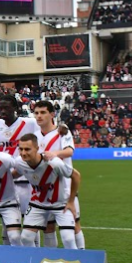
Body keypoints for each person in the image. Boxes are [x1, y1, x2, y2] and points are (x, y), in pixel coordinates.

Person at [0, 95, 38, 244]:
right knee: (7, 223)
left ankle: (35, 253)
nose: (2, 111)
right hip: (5, 182)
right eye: (0, 108)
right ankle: (8, 255)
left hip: (26, 182)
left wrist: (61, 129)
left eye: (6, 107)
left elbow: (47, 127)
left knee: (31, 223)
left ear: (15, 108)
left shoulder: (29, 123)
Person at [13, 134, 77, 249]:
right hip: (37, 204)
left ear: (37, 149)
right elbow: (18, 172)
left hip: (60, 204)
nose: (23, 153)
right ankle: (34, 262)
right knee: (26, 238)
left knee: (68, 239)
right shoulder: (19, 162)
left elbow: (76, 176)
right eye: (20, 149)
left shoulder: (54, 163)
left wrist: (71, 201)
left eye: (27, 149)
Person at [34, 100, 84, 248]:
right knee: (48, 228)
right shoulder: (34, 135)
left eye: (43, 112)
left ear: (52, 114)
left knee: (75, 224)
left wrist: (53, 154)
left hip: (65, 188)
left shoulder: (62, 131)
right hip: (45, 190)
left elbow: (69, 151)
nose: (39, 116)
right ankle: (51, 257)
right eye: (36, 113)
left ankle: (82, 256)